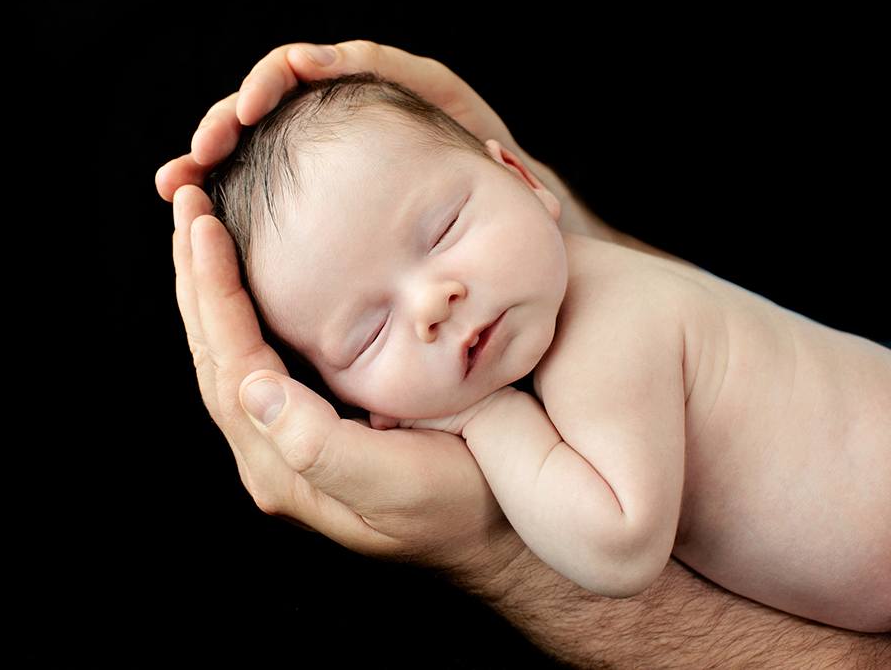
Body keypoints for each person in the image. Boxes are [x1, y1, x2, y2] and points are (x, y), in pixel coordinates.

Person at [156, 40, 891, 666]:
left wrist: (487, 420)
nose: (431, 303)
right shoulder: (580, 293)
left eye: (443, 229)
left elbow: (619, 547)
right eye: (368, 333)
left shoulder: (608, 326)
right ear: (356, 404)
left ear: (522, 178)